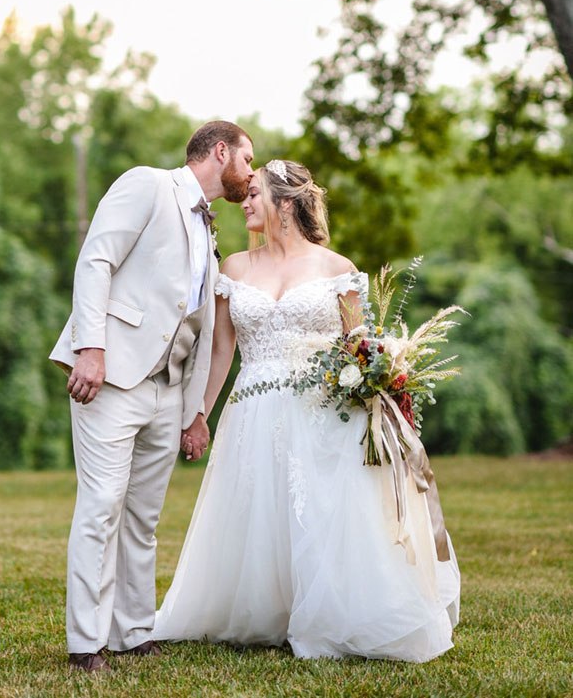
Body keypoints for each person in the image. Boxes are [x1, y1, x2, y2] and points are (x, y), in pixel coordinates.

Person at [155, 160, 460, 662]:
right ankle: (266, 611)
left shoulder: (337, 269)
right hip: (252, 411)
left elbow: (358, 345)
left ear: (287, 203)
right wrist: (199, 414)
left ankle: (332, 613)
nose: (245, 203)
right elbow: (221, 351)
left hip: (322, 413)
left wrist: (378, 385)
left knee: (321, 514)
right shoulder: (233, 268)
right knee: (258, 514)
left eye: (254, 194)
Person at [49, 121, 254, 673]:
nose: (251, 174)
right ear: (219, 152)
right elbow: (96, 261)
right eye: (247, 160)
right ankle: (85, 644)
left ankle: (134, 631)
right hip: (112, 377)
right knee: (101, 507)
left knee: (144, 517)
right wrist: (91, 348)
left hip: (168, 390)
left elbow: (204, 330)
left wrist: (194, 411)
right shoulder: (147, 184)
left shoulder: (210, 232)